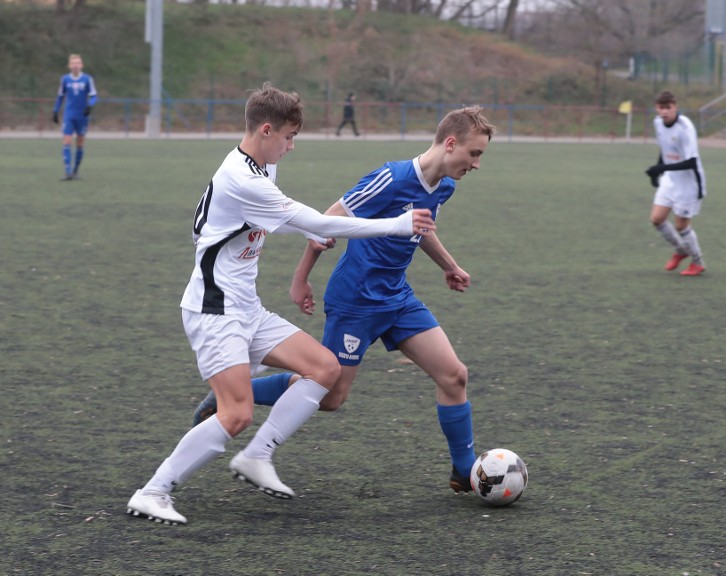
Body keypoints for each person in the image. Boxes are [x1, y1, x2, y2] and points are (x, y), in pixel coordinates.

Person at [126, 83, 435, 526]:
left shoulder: (259, 168)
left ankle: (257, 456)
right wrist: (397, 224)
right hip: (215, 311)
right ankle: (153, 491)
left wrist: (302, 233)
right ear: (267, 130)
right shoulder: (242, 177)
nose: (291, 147)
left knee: (325, 369)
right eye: (289, 137)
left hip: (244, 307)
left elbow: (276, 221)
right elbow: (315, 218)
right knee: (235, 414)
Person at [193, 106, 496, 495]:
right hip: (355, 300)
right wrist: (301, 278)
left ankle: (465, 471)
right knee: (331, 396)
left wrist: (449, 266)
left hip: (397, 297)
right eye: (474, 153)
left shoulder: (446, 185)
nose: (477, 164)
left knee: (454, 375)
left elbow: (422, 228)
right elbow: (325, 224)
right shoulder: (390, 178)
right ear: (451, 143)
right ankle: (235, 395)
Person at [645, 90, 707, 276]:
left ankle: (698, 262)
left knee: (681, 226)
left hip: (689, 183)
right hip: (670, 180)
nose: (664, 112)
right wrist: (657, 170)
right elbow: (665, 150)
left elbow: (691, 162)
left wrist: (661, 169)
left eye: (668, 107)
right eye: (661, 108)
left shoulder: (685, 128)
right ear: (657, 108)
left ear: (675, 107)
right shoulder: (658, 123)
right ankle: (681, 250)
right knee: (657, 219)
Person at [53, 53, 98, 181]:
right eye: (73, 63)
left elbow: (94, 95)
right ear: (69, 66)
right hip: (69, 114)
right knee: (67, 140)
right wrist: (55, 111)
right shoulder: (65, 79)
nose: (75, 66)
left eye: (78, 63)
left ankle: (75, 171)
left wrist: (90, 105)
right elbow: (60, 96)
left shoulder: (87, 79)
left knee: (80, 142)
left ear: (82, 65)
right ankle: (67, 172)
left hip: (82, 116)